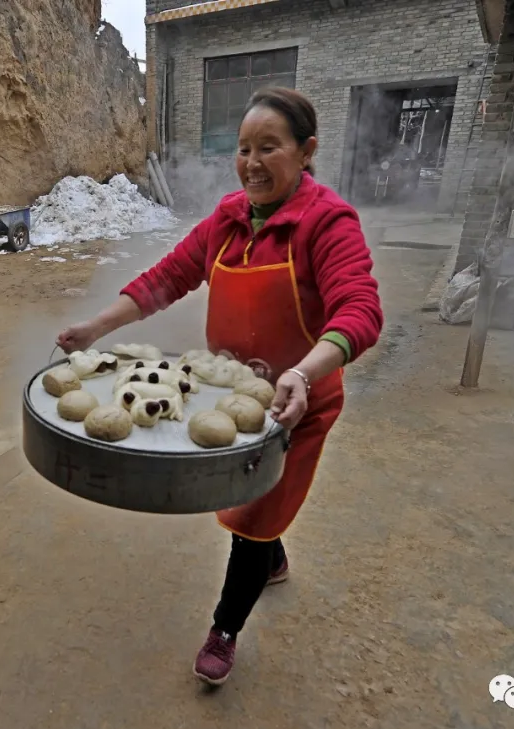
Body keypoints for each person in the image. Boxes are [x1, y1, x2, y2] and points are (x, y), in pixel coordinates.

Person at [56, 87, 383, 686]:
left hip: (293, 405)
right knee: (252, 504)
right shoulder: (228, 219)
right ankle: (274, 551)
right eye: (242, 149)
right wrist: (97, 327)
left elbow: (359, 310)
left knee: (252, 517)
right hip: (225, 392)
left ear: (306, 151)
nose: (252, 163)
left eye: (269, 148)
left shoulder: (326, 222)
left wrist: (304, 372)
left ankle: (225, 629)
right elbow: (169, 276)